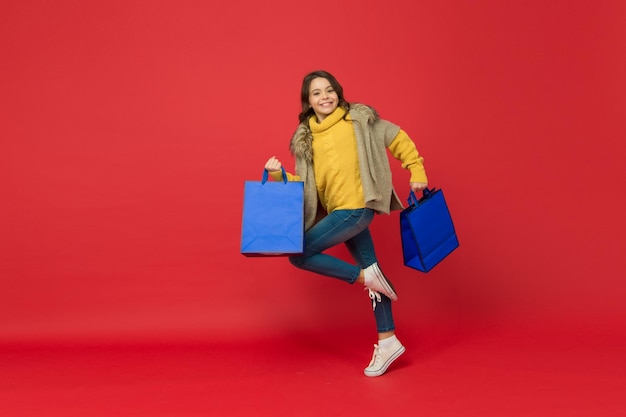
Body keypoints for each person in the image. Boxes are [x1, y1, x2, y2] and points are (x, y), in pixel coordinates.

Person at [264, 70, 428, 377]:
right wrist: (277, 175)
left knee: (300, 255)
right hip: (337, 212)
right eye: (316, 93)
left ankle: (363, 278)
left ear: (338, 93)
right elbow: (305, 184)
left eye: (329, 90)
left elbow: (397, 137)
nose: (324, 96)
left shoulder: (359, 121)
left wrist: (416, 169)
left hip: (357, 209)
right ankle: (388, 339)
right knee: (373, 269)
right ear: (308, 101)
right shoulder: (306, 138)